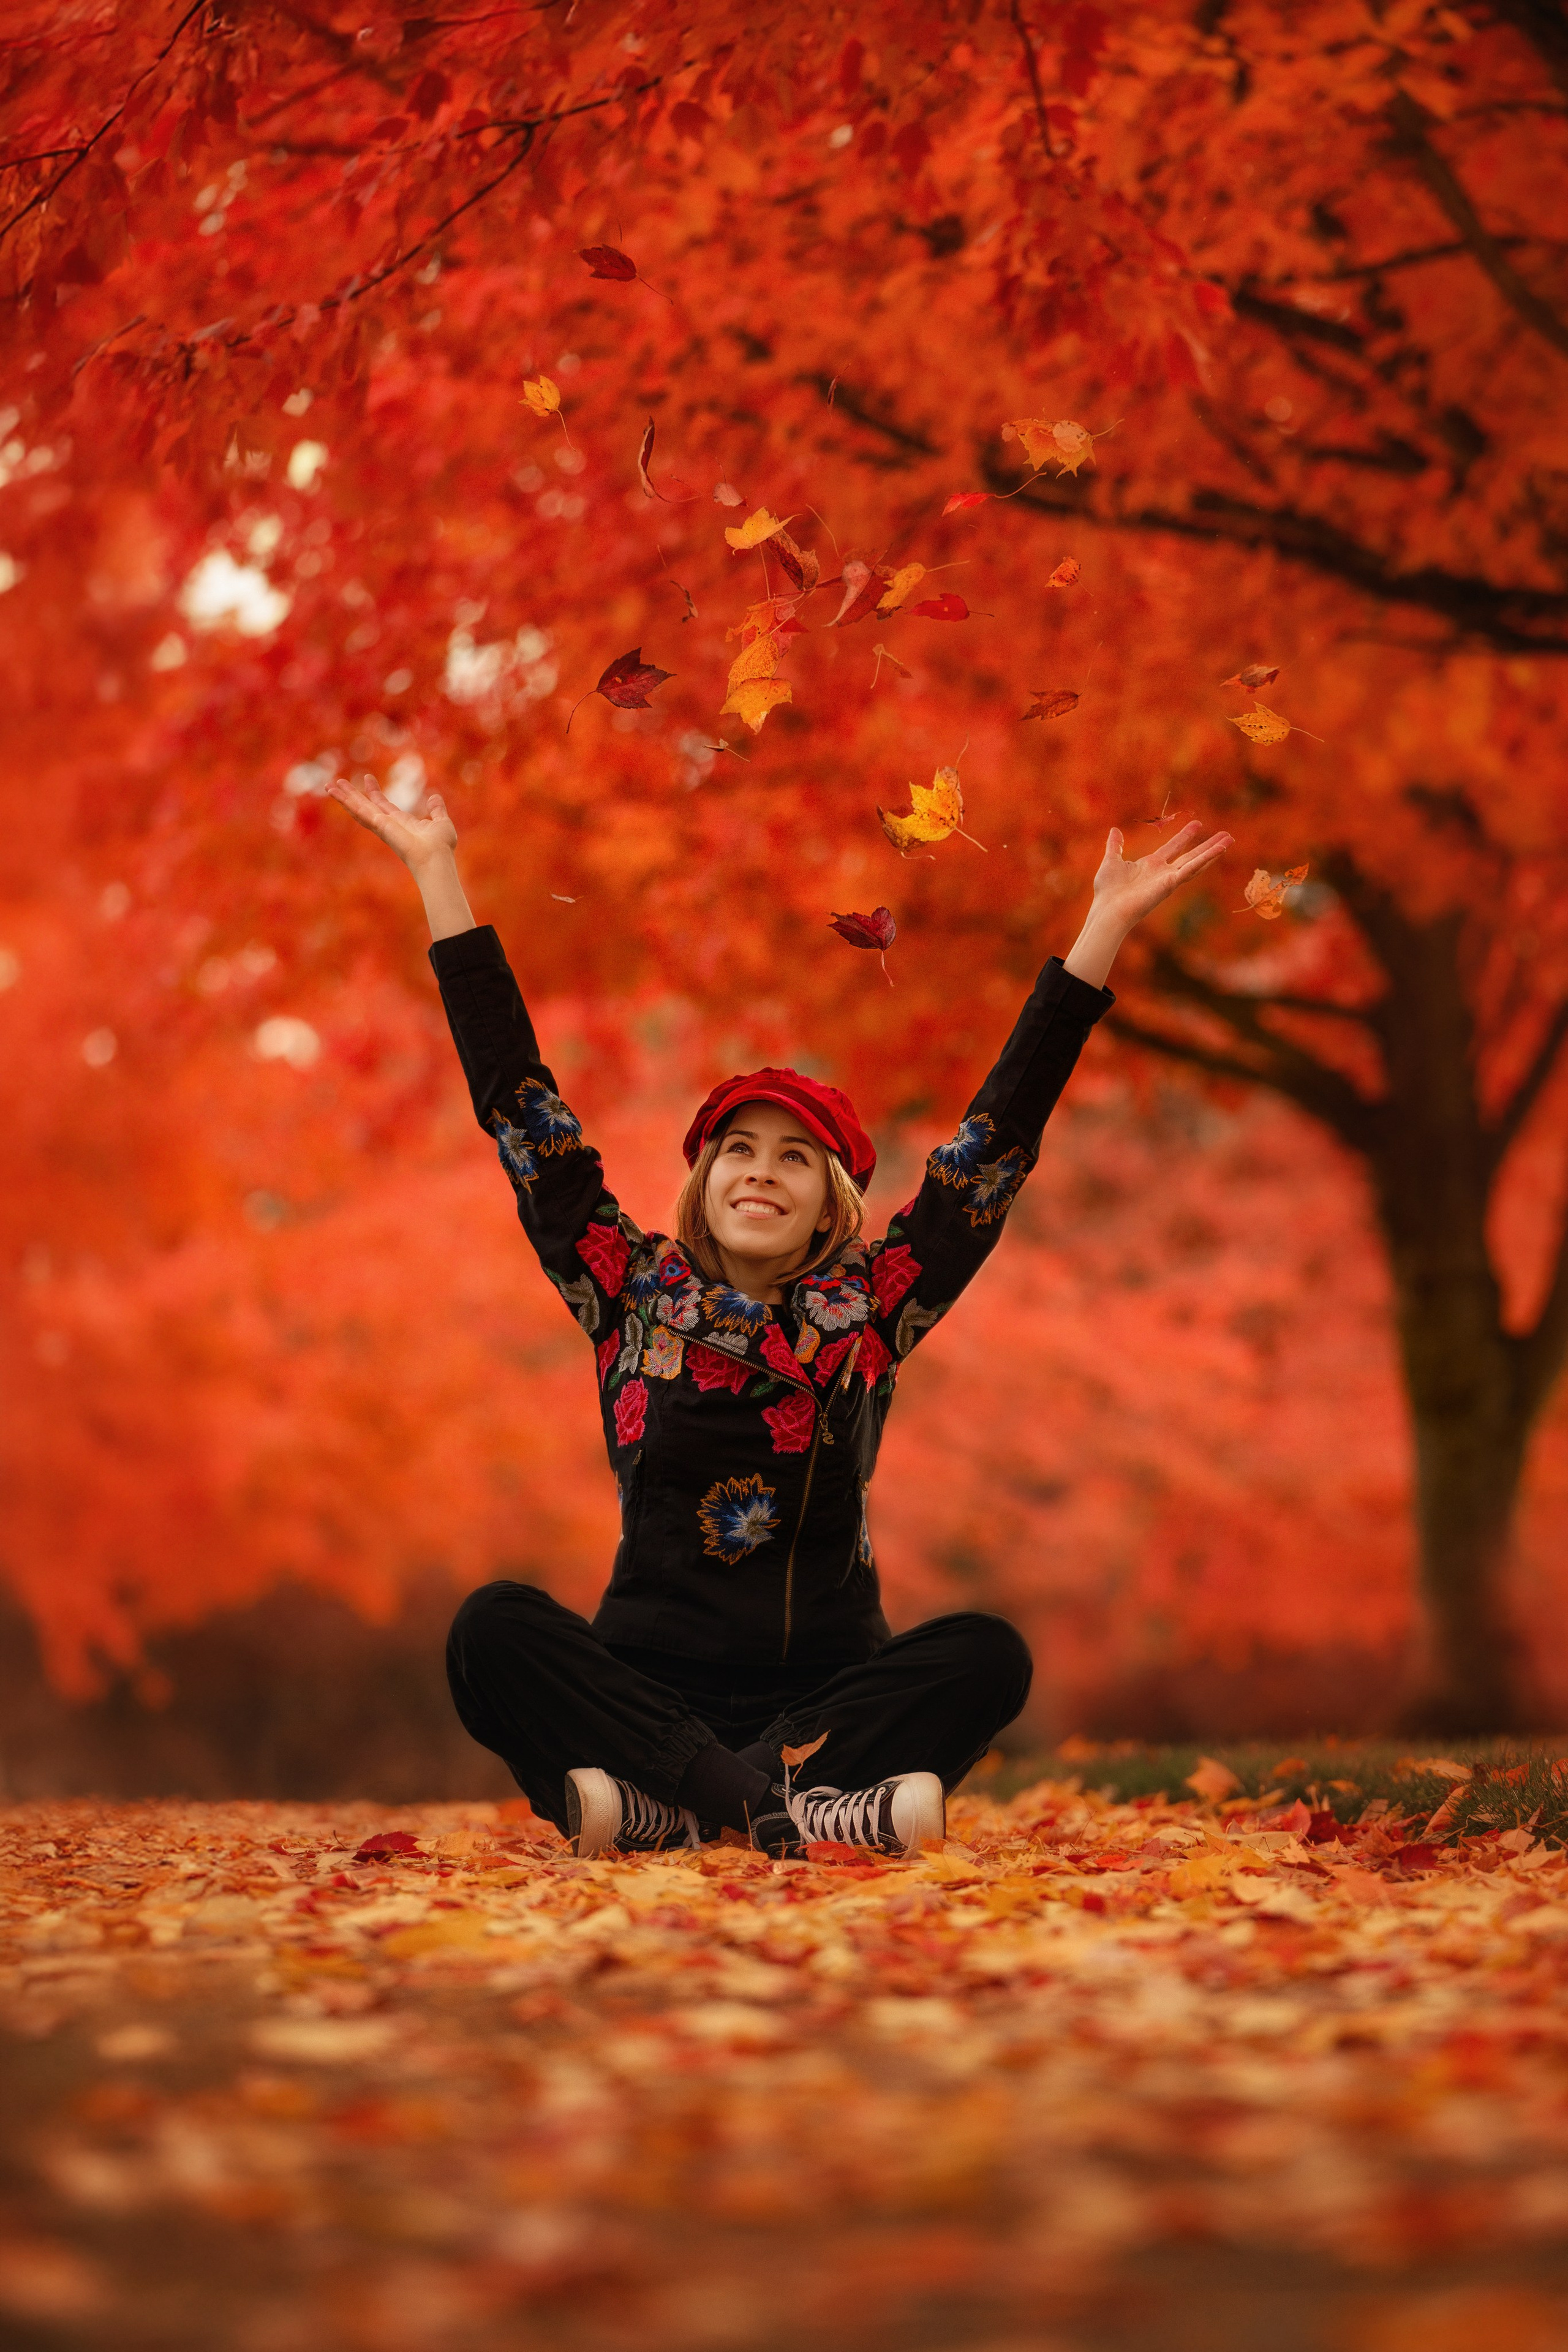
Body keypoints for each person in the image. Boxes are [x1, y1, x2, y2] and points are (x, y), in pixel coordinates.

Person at [327, 772, 1230, 1858]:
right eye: (739, 1152)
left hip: (829, 1701)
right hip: (644, 1699)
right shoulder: (628, 1289)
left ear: (828, 1204)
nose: (762, 1174)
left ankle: (692, 1811)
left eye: (794, 1158)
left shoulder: (871, 1308)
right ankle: (777, 1812)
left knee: (989, 1654)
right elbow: (522, 1107)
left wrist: (1099, 936)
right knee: (491, 1632)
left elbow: (992, 1149)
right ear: (704, 1184)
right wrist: (440, 876)